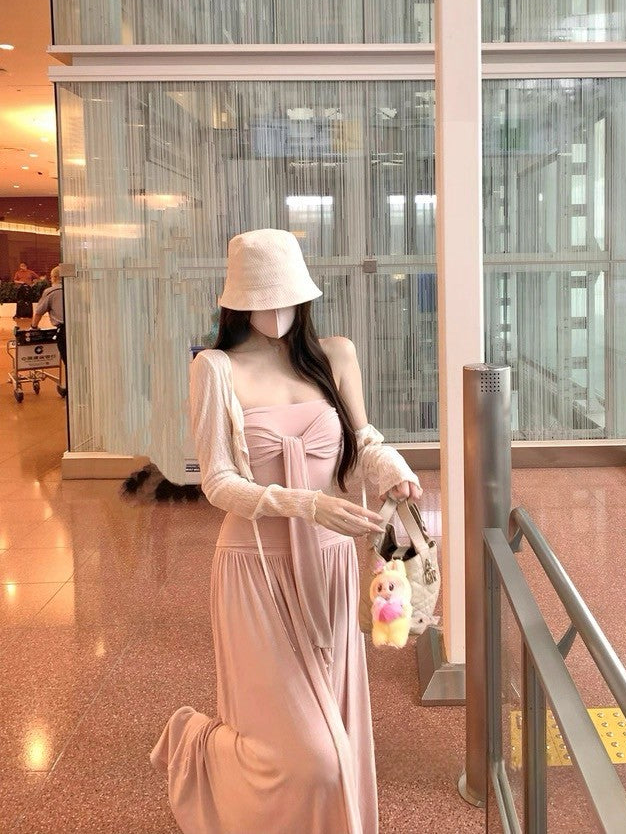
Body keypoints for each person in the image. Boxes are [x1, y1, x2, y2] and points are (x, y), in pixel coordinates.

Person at [151, 229, 422, 834]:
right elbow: (218, 482)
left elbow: (363, 443)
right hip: (255, 569)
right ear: (238, 301)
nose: (276, 312)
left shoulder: (335, 356)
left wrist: (394, 471)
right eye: (262, 298)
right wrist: (304, 505)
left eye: (286, 298)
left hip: (330, 563)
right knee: (309, 756)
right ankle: (192, 744)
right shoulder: (214, 369)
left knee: (334, 738)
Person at [32, 267, 67, 386]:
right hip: (79, 328)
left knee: (68, 361)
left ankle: (69, 390)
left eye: (51, 277)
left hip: (63, 331)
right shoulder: (74, 289)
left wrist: (34, 327)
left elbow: (39, 312)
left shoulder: (50, 291)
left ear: (55, 277)